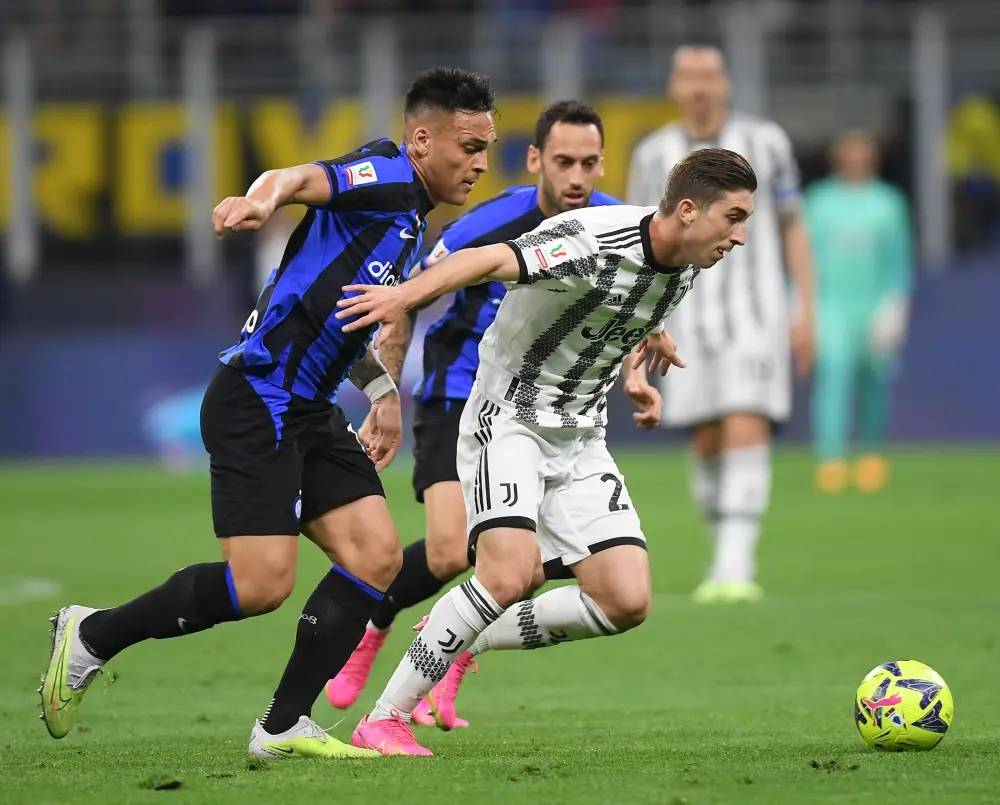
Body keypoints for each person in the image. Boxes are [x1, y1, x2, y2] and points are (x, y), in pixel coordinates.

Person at [38, 67, 497, 760]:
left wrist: (381, 393)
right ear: (423, 140)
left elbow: (330, 320)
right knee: (260, 585)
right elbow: (297, 176)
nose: (480, 163)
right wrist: (259, 200)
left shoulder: (407, 218)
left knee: (375, 556)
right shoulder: (386, 175)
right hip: (260, 399)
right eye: (469, 147)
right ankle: (92, 635)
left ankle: (282, 725)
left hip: (307, 408)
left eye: (485, 147)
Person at [335, 146, 758, 756]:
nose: (740, 236)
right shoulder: (591, 238)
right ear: (688, 210)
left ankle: (464, 634)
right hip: (509, 421)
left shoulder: (689, 261)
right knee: (507, 575)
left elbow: (629, 303)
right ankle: (384, 720)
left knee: (626, 600)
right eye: (734, 218)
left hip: (581, 437)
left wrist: (644, 357)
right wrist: (405, 298)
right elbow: (488, 258)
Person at [325, 100, 621, 730]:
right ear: (535, 159)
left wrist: (643, 371)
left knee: (527, 564)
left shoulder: (611, 224)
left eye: (589, 162)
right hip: (458, 391)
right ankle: (372, 629)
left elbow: (634, 303)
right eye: (563, 161)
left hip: (543, 408)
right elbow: (405, 296)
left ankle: (452, 652)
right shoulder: (490, 223)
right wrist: (386, 393)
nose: (576, 176)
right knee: (448, 551)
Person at [624, 45, 816, 604]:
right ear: (674, 86)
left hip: (757, 313)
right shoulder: (653, 154)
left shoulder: (766, 142)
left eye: (708, 76)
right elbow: (641, 236)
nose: (699, 87)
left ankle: (736, 565)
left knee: (745, 420)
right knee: (707, 436)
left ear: (725, 83)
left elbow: (792, 225)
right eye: (688, 76)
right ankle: (724, 553)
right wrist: (637, 321)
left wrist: (806, 308)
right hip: (682, 315)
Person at [804, 130, 913, 493]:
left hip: (873, 304)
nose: (855, 161)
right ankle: (831, 459)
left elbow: (898, 260)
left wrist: (894, 306)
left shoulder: (888, 203)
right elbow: (804, 257)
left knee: (874, 381)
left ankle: (871, 455)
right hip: (829, 304)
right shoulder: (819, 202)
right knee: (833, 376)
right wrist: (800, 305)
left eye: (862, 154)